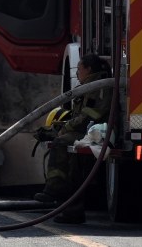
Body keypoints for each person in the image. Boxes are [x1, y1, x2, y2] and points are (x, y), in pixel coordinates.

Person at [34, 54, 112, 224]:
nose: (77, 72)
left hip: (91, 132)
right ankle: (70, 208)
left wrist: (66, 128)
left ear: (89, 69)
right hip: (86, 130)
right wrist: (59, 126)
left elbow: (92, 115)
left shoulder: (98, 87)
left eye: (79, 68)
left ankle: (54, 188)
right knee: (72, 168)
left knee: (60, 143)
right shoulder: (90, 85)